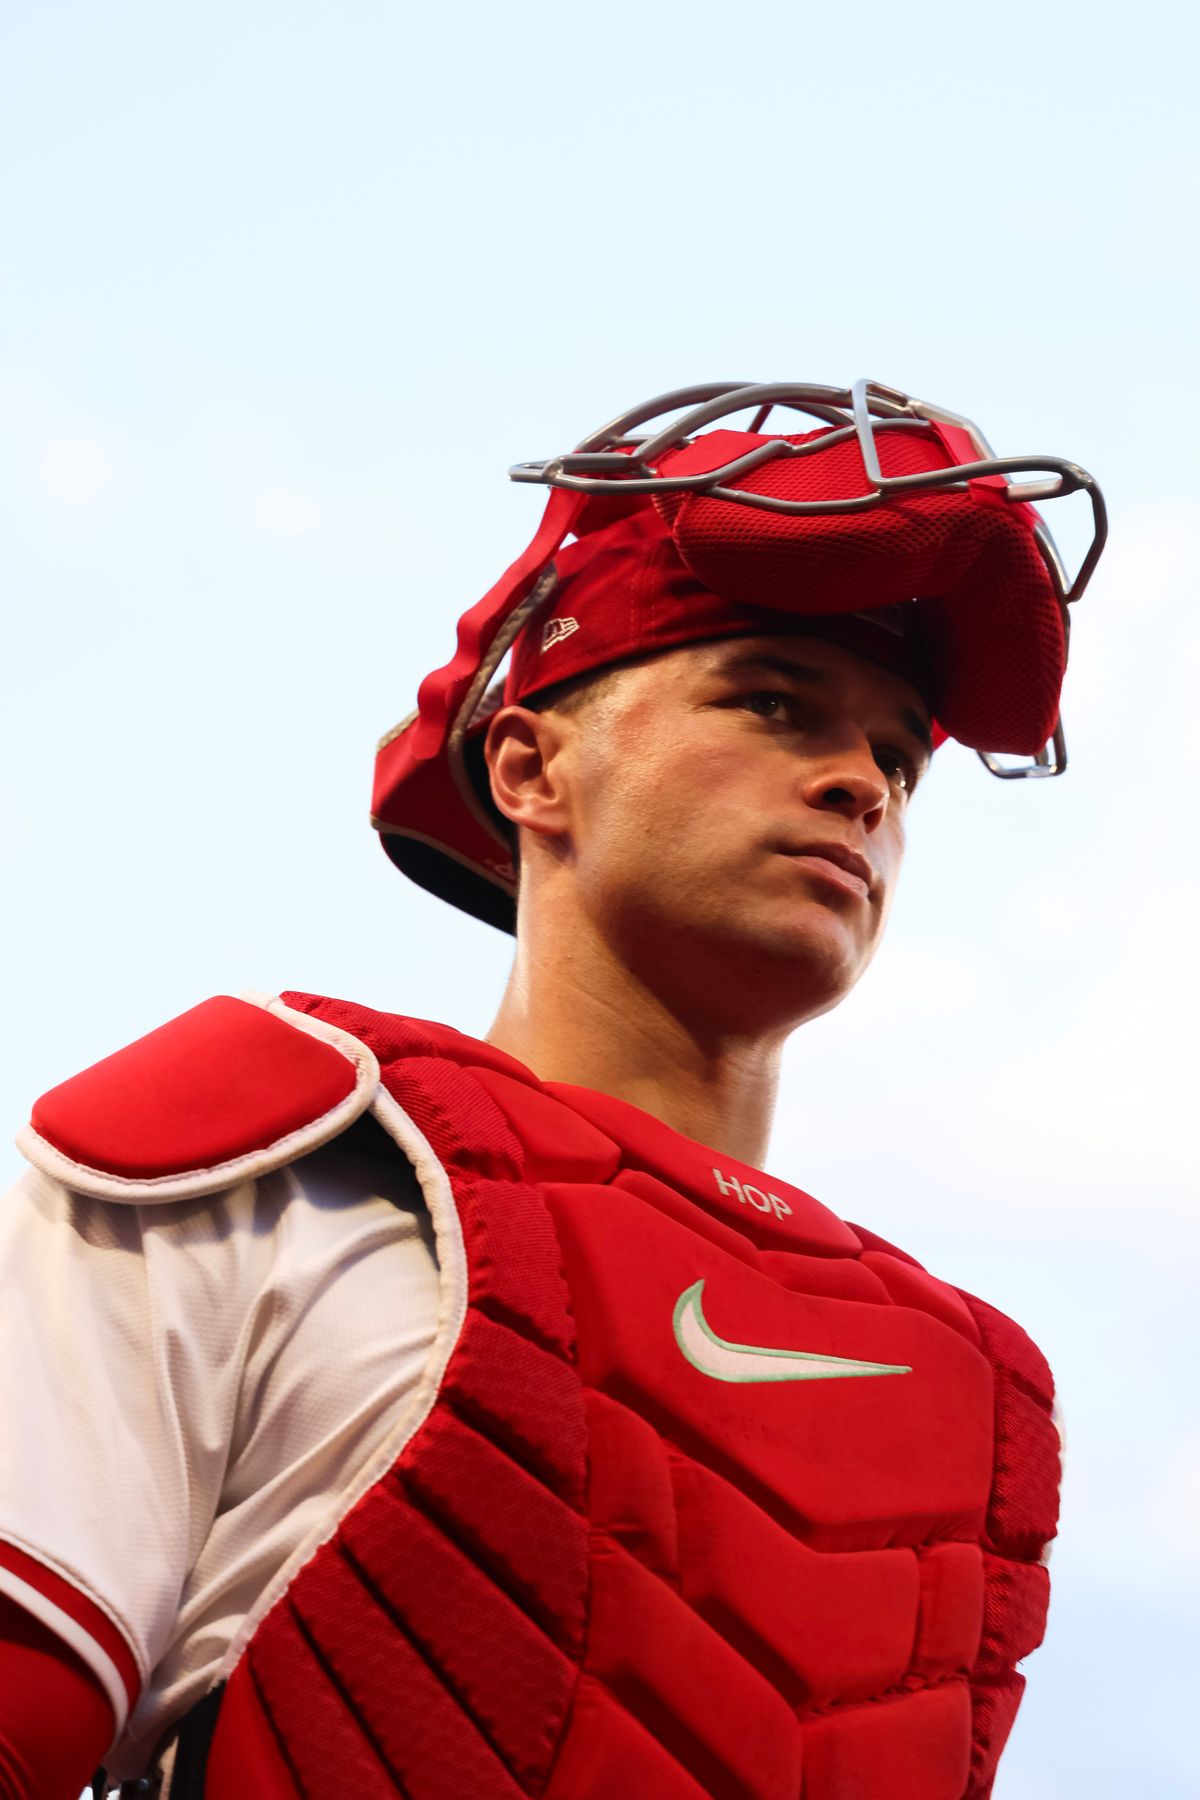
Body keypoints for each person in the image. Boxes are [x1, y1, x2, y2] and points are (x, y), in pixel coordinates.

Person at [0, 380, 1106, 1800]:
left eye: (897, 754)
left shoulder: (967, 1392)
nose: (862, 785)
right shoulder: (269, 1160)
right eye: (773, 703)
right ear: (531, 768)